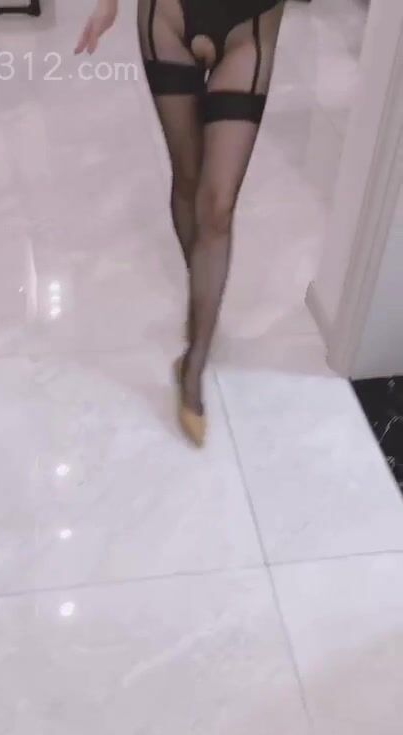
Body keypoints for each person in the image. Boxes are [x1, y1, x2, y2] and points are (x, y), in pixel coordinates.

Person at [76, 0, 285, 447]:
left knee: (218, 206)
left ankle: (193, 366)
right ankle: (200, 298)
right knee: (188, 178)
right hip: (168, 16)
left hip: (251, 24)